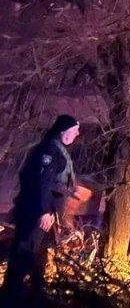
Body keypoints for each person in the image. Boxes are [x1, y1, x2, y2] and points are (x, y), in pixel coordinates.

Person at [0, 114, 80, 306]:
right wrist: (44, 211)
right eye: (75, 130)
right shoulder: (50, 151)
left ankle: (36, 293)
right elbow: (42, 182)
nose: (78, 134)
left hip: (45, 215)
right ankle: (11, 297)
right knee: (24, 254)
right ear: (65, 131)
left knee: (38, 255)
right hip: (37, 215)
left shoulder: (56, 150)